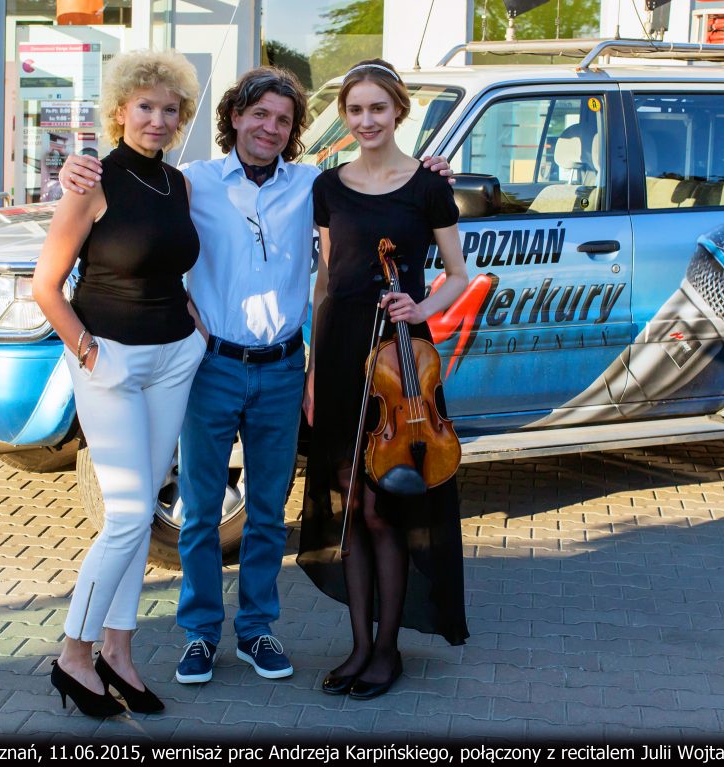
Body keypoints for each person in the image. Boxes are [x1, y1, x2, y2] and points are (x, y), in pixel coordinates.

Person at [59, 67, 452, 686]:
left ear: (294, 131)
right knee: (199, 513)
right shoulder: (191, 183)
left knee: (269, 511)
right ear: (235, 118)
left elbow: (382, 196)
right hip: (210, 366)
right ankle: (198, 634)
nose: (270, 127)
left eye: (283, 119)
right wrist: (75, 171)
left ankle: (257, 630)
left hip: (281, 369)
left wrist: (433, 173)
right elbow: (130, 205)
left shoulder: (315, 187)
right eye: (258, 114)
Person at [33, 49, 204, 717]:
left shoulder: (180, 183)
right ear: (120, 110)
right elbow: (46, 287)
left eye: (169, 109)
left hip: (174, 358)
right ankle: (74, 654)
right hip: (111, 360)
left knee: (134, 524)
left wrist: (194, 324)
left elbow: (173, 264)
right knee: (132, 514)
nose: (157, 119)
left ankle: (119, 652)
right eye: (145, 107)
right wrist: (86, 350)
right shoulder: (91, 179)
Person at [297, 58, 470, 700]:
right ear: (343, 117)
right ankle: (359, 646)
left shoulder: (427, 187)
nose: (366, 120)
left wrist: (420, 309)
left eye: (377, 108)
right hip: (342, 354)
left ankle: (388, 648)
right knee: (347, 506)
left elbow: (457, 273)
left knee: (382, 507)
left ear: (398, 111)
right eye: (355, 110)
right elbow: (325, 279)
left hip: (402, 366)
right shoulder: (328, 187)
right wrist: (315, 370)